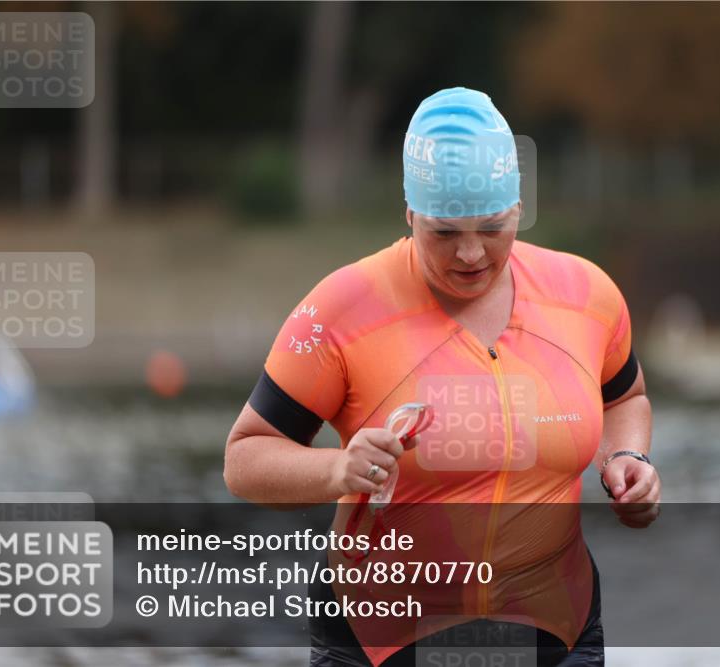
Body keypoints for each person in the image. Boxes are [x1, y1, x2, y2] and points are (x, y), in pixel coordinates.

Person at [225, 87, 659, 667]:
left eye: (493, 226)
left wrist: (626, 460)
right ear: (409, 213)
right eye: (445, 233)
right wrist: (338, 468)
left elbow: (625, 398)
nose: (473, 254)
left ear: (519, 207)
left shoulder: (585, 295)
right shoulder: (343, 307)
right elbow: (245, 458)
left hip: (556, 633)